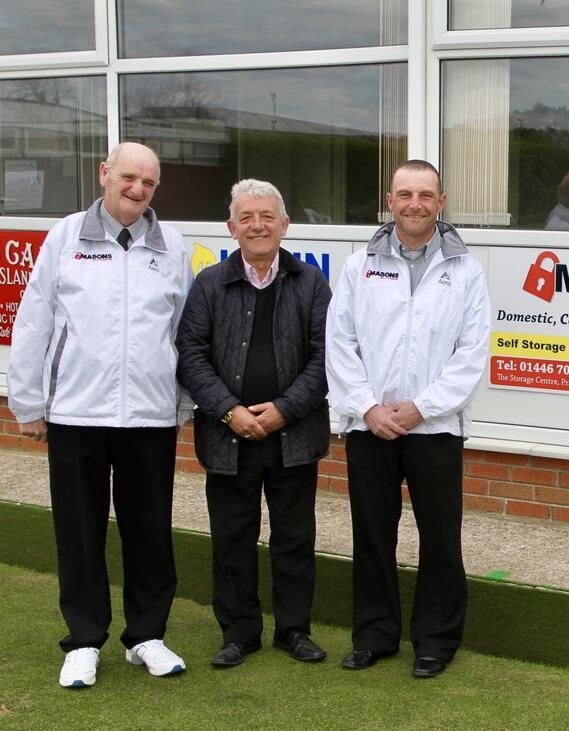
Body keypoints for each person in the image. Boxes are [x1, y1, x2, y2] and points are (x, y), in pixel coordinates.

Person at [8, 142, 191, 688]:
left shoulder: (173, 244)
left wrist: (181, 403)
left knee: (150, 532)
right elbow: (34, 319)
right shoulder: (65, 236)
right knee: (79, 532)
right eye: (128, 177)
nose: (137, 189)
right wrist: (28, 401)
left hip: (150, 417)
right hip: (76, 412)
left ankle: (147, 637)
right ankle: (84, 641)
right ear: (105, 173)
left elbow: (183, 332)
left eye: (149, 183)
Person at [326, 159, 490, 678]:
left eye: (425, 194)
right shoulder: (359, 266)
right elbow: (340, 343)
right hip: (369, 427)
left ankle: (435, 642)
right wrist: (367, 407)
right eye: (404, 194)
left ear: (441, 203)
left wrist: (422, 406)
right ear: (389, 202)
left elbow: (472, 352)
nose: (414, 203)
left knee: (440, 537)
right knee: (372, 534)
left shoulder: (466, 269)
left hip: (434, 427)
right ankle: (374, 637)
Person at [176, 179, 332, 668]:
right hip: (228, 437)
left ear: (284, 225)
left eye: (267, 216)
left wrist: (285, 407)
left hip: (294, 436)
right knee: (232, 541)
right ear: (231, 226)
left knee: (294, 539)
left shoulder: (311, 283)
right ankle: (239, 634)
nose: (257, 225)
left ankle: (293, 631)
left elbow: (328, 357)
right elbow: (191, 356)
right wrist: (230, 411)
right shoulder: (209, 284)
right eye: (247, 217)